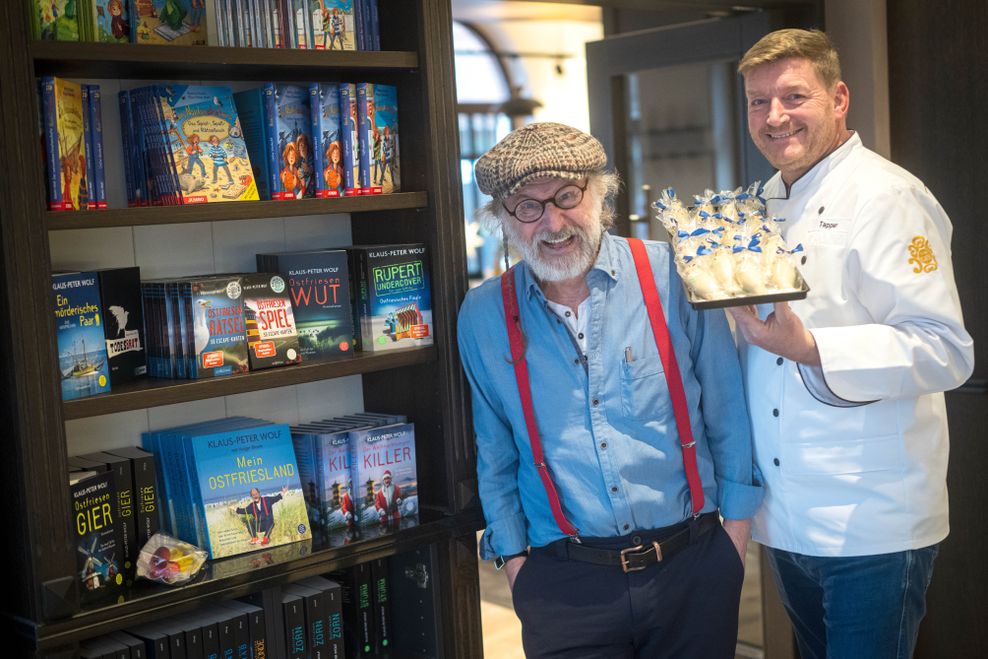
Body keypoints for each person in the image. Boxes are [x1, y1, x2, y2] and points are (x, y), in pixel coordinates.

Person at [457, 122, 763, 658]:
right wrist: (517, 567)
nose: (552, 222)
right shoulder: (483, 315)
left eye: (566, 196)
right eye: (526, 207)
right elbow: (495, 450)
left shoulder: (673, 275)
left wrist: (731, 547)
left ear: (600, 193)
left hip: (692, 569)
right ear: (502, 220)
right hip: (563, 587)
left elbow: (726, 411)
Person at [729, 29, 975, 659]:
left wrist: (811, 346)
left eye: (793, 96)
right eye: (759, 102)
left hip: (875, 520)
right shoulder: (758, 205)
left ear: (838, 99)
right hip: (785, 518)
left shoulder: (889, 197)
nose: (774, 117)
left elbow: (945, 349)